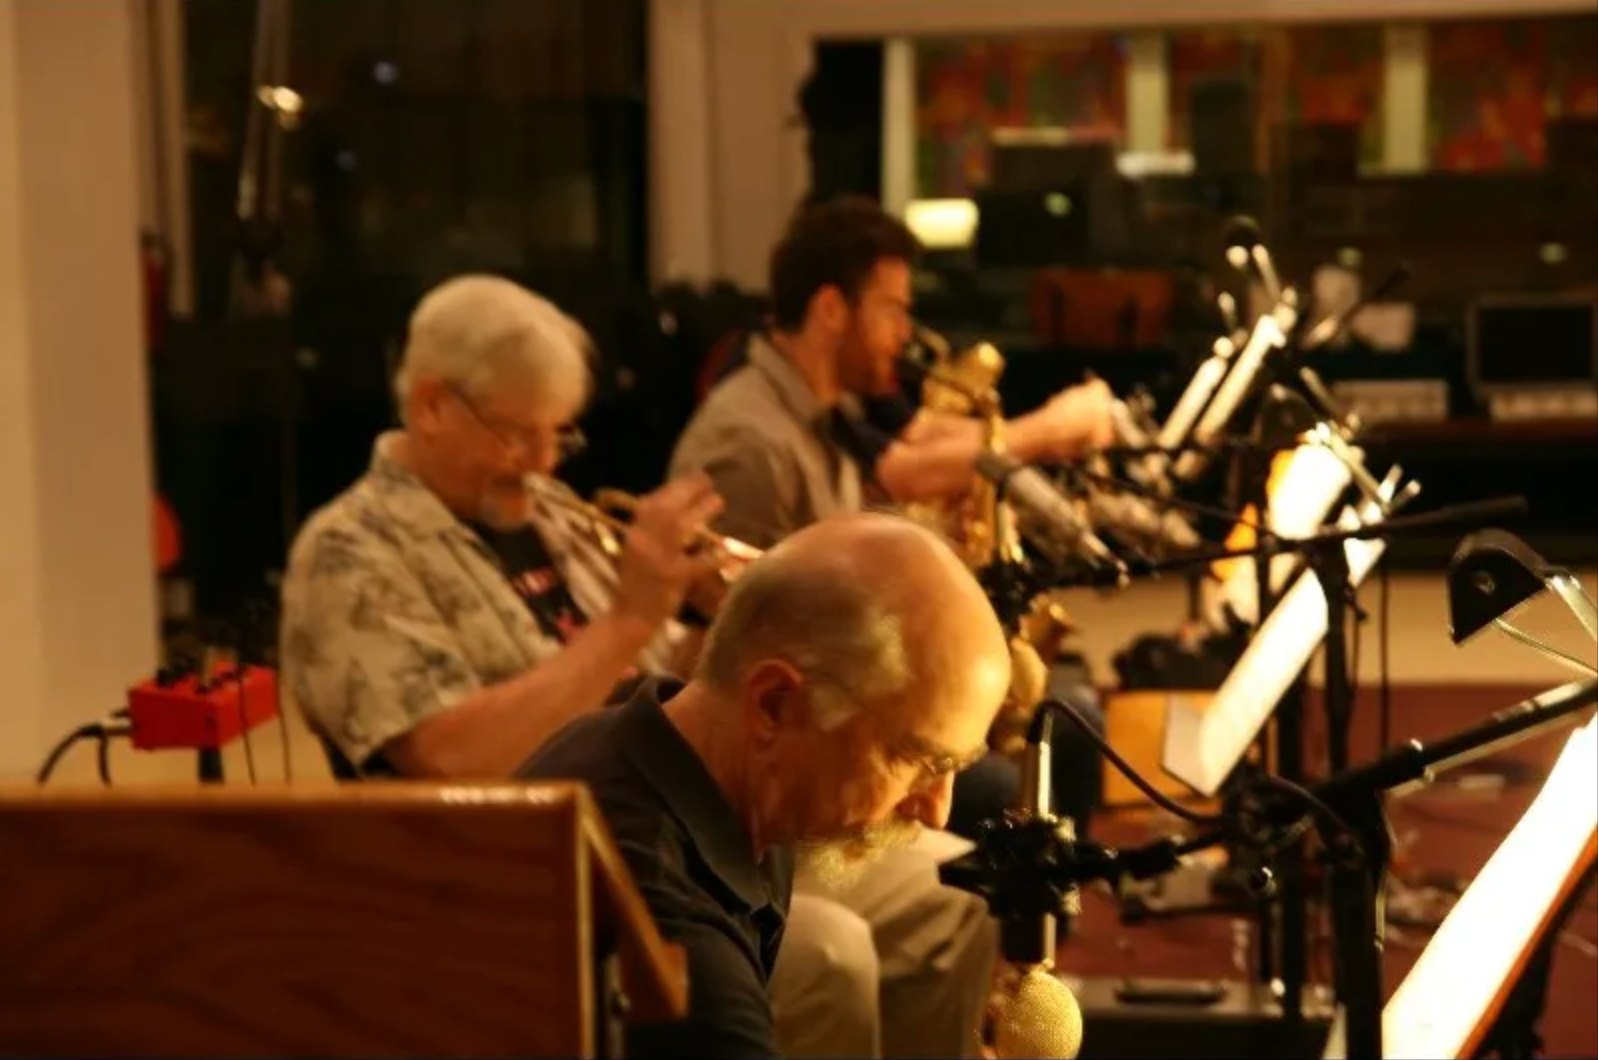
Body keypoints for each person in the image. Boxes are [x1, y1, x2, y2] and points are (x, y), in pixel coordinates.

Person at [278, 274, 993, 1059]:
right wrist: (628, 620)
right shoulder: (348, 553)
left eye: (559, 435)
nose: (542, 464)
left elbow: (690, 690)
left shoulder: (547, 518)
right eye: (517, 434)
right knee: (827, 955)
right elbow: (451, 759)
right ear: (431, 406)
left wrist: (746, 625)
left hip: (675, 798)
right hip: (520, 889)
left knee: (961, 893)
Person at [668, 196, 1111, 840]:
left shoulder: (825, 415)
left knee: (1068, 723)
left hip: (859, 706)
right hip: (817, 750)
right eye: (893, 310)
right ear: (831, 309)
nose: (905, 333)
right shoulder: (749, 443)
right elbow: (738, 661)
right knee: (1010, 782)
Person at [521, 513, 1014, 1059]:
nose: (935, 811)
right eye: (913, 759)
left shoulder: (635, 737)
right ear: (774, 705)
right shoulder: (690, 968)